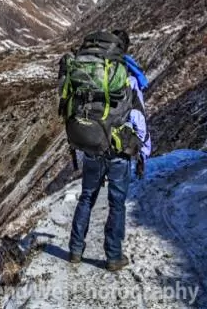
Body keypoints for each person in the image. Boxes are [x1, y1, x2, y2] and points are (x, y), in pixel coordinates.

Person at [62, 29, 151, 271]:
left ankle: (75, 250)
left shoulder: (89, 73)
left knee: (87, 197)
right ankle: (113, 256)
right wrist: (144, 152)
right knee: (117, 203)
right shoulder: (127, 78)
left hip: (92, 145)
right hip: (118, 151)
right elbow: (139, 118)